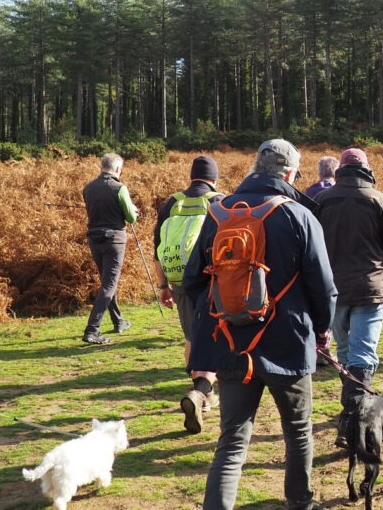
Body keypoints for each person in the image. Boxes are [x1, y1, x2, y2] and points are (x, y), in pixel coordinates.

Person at [183, 139, 336, 510]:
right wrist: (322, 330)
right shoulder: (300, 216)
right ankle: (300, 503)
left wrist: (209, 327)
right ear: (288, 174)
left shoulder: (218, 212)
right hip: (289, 343)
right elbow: (324, 287)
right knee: (298, 432)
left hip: (231, 343)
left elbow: (193, 282)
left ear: (255, 167)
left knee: (232, 440)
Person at [314, 147, 383, 448]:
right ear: (367, 168)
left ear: (340, 170)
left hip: (332, 292)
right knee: (361, 355)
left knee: (347, 355)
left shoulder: (320, 201)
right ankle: (353, 425)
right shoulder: (380, 200)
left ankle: (350, 417)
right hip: (370, 291)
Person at [153, 155, 225, 434]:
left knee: (191, 337)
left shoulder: (171, 203)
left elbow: (157, 247)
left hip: (180, 279)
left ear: (191, 177)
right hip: (213, 280)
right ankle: (203, 394)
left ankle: (202, 394)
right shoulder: (220, 201)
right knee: (218, 335)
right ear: (214, 178)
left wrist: (163, 285)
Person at [80, 152, 139, 345]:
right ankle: (92, 330)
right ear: (117, 169)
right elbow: (130, 218)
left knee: (107, 282)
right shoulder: (119, 188)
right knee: (109, 285)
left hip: (94, 240)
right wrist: (133, 210)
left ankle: (118, 321)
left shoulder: (88, 188)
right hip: (114, 240)